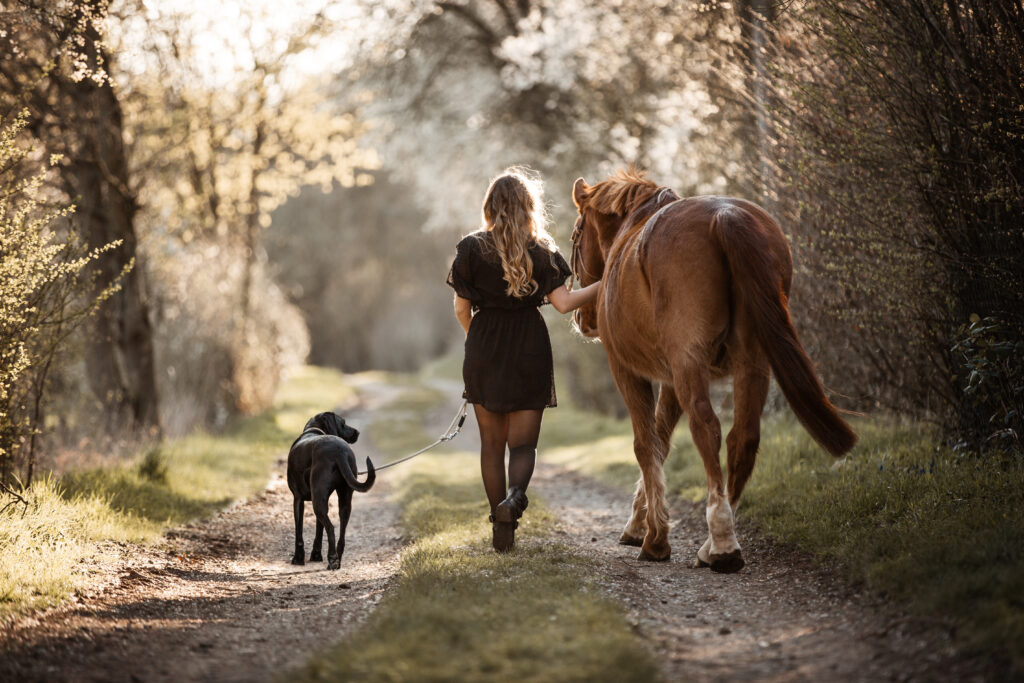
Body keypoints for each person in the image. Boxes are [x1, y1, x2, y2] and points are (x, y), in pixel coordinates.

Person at [446, 168, 601, 552]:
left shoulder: (469, 248)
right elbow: (564, 304)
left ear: (489, 206)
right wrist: (605, 284)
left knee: (490, 445)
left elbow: (462, 310)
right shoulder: (543, 250)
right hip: (529, 346)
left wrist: (477, 342)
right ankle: (514, 499)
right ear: (529, 208)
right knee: (523, 447)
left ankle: (502, 527)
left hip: (484, 346)